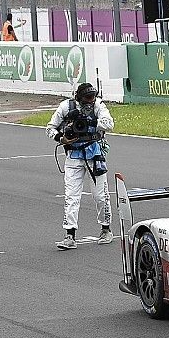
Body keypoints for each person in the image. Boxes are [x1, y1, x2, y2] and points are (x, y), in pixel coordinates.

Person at [45, 83, 114, 250]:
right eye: (87, 98)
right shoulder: (65, 107)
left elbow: (110, 124)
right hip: (73, 156)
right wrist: (61, 138)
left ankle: (106, 229)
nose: (91, 101)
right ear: (79, 97)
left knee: (100, 196)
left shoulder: (98, 105)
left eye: (93, 97)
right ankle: (70, 235)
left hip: (95, 156)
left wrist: (93, 121)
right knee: (71, 196)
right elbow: (50, 128)